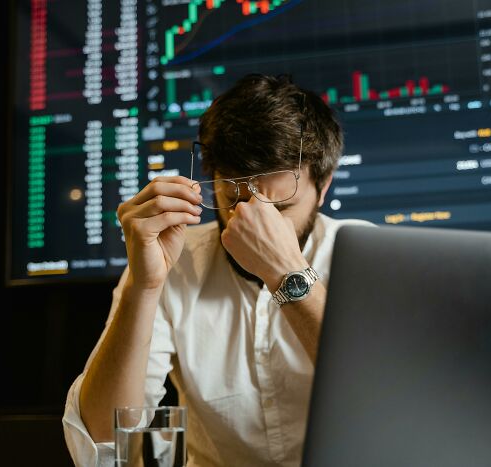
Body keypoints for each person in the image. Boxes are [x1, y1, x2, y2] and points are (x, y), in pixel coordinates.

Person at [63, 74, 372, 466]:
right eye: (233, 199)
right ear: (213, 182)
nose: (254, 227)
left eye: (279, 210)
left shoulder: (366, 260)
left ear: (324, 186)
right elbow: (103, 444)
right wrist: (144, 286)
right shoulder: (171, 261)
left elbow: (391, 404)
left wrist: (286, 272)